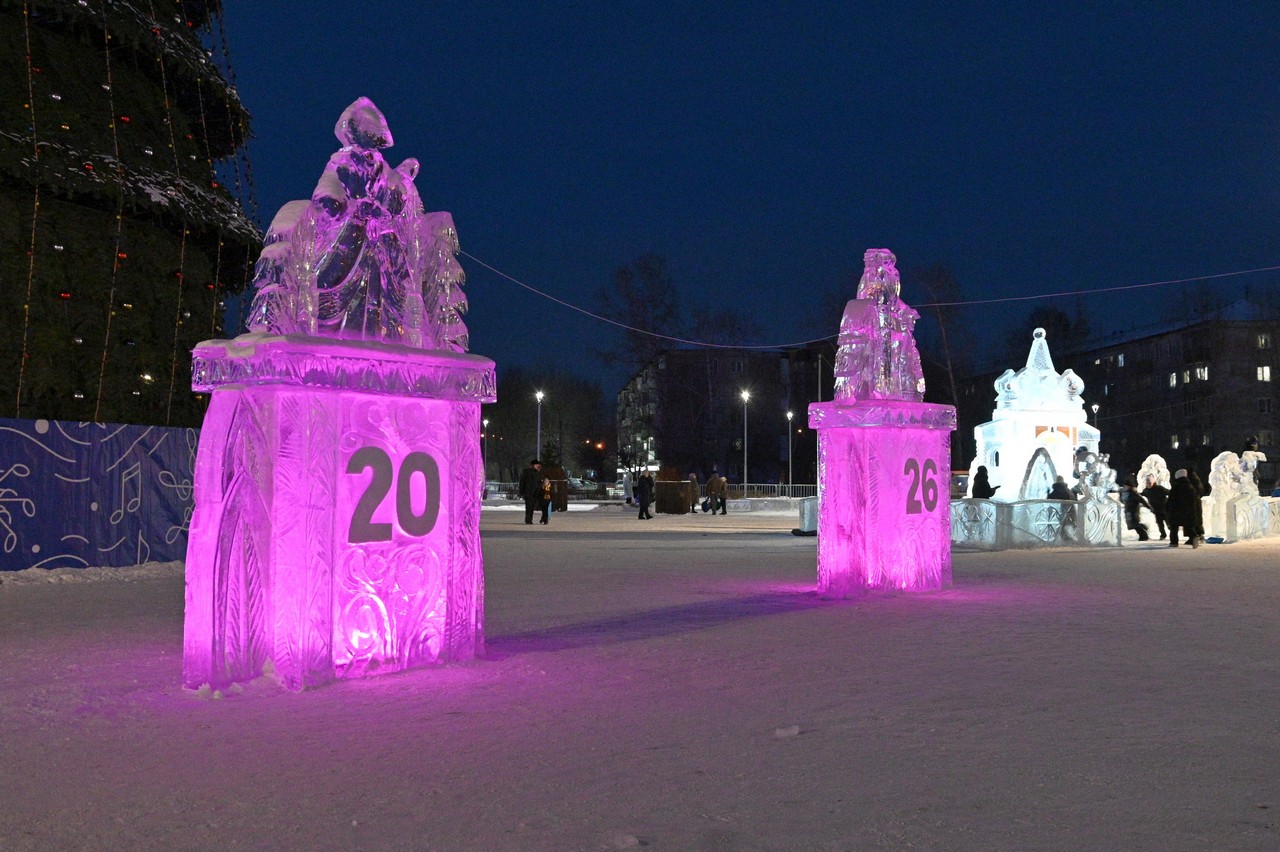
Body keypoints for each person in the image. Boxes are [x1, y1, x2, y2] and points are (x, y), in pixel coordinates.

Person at [1166, 468, 1200, 548]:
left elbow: (1171, 500)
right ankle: (1194, 537)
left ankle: (1174, 542)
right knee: (1189, 526)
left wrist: (1168, 509)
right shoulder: (1191, 487)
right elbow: (1196, 500)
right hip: (1189, 511)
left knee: (1174, 527)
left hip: (1176, 510)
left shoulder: (1175, 487)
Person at [1140, 474, 1169, 540]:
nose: (1149, 484)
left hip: (1165, 508)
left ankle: (1172, 533)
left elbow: (1169, 492)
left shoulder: (1160, 488)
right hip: (1156, 510)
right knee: (1159, 523)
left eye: (1150, 482)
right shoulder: (1146, 491)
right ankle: (1163, 535)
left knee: (1168, 522)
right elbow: (1140, 496)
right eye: (1147, 482)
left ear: (1153, 481)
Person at [519, 459, 543, 525]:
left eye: (538, 464)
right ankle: (528, 519)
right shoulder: (527, 472)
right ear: (533, 465)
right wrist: (522, 491)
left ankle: (529, 519)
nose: (537, 466)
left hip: (535, 492)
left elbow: (538, 483)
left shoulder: (537, 473)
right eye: (536, 464)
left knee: (532, 506)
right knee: (529, 506)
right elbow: (522, 482)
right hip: (528, 491)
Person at [1186, 468, 1206, 545]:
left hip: (1192, 502)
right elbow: (1201, 490)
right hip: (1197, 501)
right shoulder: (1196, 479)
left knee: (1192, 520)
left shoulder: (1191, 480)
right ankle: (1200, 535)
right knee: (1197, 519)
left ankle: (1194, 537)